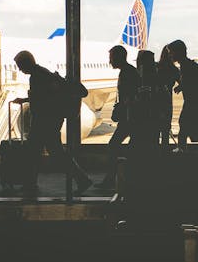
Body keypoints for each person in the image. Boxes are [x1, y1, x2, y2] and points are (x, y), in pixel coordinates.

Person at [13, 50, 93, 195]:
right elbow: (45, 96)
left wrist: (29, 102)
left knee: (38, 152)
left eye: (20, 65)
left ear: (26, 63)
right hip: (50, 120)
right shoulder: (42, 73)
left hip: (44, 121)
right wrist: (25, 100)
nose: (19, 69)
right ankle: (81, 179)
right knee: (49, 152)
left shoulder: (37, 76)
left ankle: (81, 179)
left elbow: (43, 99)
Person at [96, 44, 140, 189]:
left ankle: (113, 180)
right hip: (129, 118)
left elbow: (131, 97)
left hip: (130, 118)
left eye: (111, 58)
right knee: (126, 148)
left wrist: (123, 109)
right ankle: (123, 179)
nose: (110, 62)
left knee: (113, 146)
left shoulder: (128, 73)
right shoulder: (128, 71)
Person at [167, 39, 198, 155]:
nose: (170, 55)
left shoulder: (186, 67)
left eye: (171, 52)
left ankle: (184, 158)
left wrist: (182, 86)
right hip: (197, 105)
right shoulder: (189, 66)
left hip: (193, 106)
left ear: (178, 52)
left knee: (185, 132)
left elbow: (191, 83)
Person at [156, 45, 180, 149]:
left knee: (155, 131)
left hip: (155, 101)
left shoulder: (156, 67)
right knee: (165, 131)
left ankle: (155, 155)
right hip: (167, 101)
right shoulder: (173, 69)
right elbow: (183, 82)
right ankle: (164, 155)